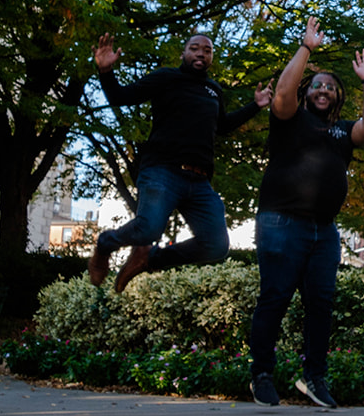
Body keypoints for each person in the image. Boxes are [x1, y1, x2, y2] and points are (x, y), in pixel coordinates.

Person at [249, 18, 364, 409]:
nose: (324, 90)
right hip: (280, 222)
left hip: (324, 231)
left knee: (321, 303)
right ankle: (262, 375)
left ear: (338, 97)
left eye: (330, 87)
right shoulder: (289, 118)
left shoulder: (341, 131)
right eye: (318, 85)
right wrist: (306, 49)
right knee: (275, 297)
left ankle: (315, 378)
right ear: (308, 92)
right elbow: (284, 92)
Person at [89, 32, 269, 293]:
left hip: (199, 181)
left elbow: (223, 125)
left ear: (211, 57)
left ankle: (149, 258)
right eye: (194, 49)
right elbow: (120, 97)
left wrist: (255, 105)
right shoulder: (166, 78)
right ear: (184, 54)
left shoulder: (214, 89)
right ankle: (105, 244)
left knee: (216, 245)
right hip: (163, 170)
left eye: (207, 50)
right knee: (148, 228)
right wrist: (106, 72)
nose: (200, 54)